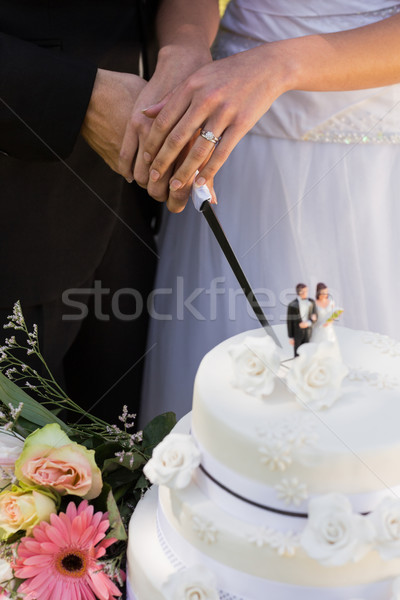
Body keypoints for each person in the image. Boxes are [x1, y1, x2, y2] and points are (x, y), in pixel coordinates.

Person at [136, 1, 400, 425]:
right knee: (223, 413)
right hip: (229, 141)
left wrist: (278, 64)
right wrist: (183, 44)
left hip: (371, 159)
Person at [0, 0, 219, 423]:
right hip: (17, 213)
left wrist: (184, 43)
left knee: (126, 459)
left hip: (137, 214)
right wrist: (79, 98)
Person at [287, 283, 317, 356]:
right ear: (298, 292)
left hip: (309, 332)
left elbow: (315, 316)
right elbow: (289, 322)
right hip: (297, 333)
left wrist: (309, 323)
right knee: (298, 353)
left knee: (308, 352)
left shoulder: (311, 302)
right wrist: (291, 337)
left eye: (306, 291)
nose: (306, 293)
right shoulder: (292, 305)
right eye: (303, 291)